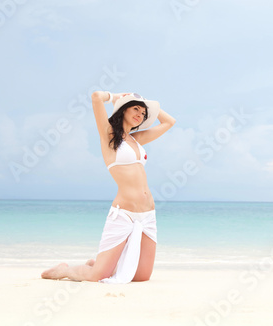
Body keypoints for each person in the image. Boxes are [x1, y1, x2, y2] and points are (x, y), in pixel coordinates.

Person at [41, 91, 175, 283]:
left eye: (144, 114)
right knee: (97, 277)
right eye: (135, 108)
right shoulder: (109, 135)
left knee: (142, 276)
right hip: (124, 213)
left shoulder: (137, 140)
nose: (141, 114)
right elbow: (96, 97)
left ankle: (99, 264)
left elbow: (169, 122)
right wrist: (115, 97)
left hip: (147, 215)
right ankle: (65, 270)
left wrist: (148, 105)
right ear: (123, 109)